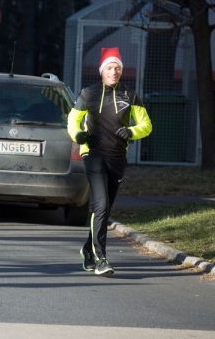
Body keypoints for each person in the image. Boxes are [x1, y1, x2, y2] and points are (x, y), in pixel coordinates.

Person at [68, 47, 152, 276]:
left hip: (117, 157)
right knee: (101, 205)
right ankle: (101, 258)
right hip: (93, 154)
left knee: (103, 209)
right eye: (109, 68)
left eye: (117, 68)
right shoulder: (88, 94)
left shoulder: (130, 95)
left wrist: (131, 131)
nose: (113, 72)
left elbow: (147, 125)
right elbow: (73, 120)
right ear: (102, 70)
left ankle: (88, 249)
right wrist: (78, 135)